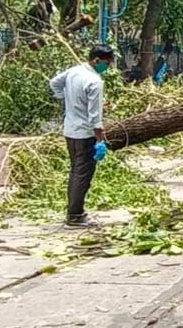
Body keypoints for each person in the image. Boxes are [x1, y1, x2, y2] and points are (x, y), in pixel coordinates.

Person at [49, 45, 115, 228]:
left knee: (75, 171)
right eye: (106, 64)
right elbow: (95, 117)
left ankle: (74, 211)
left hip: (70, 130)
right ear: (97, 60)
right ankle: (75, 215)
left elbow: (53, 83)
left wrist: (66, 99)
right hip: (85, 134)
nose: (107, 68)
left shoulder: (74, 71)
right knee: (83, 174)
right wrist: (100, 139)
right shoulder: (94, 81)